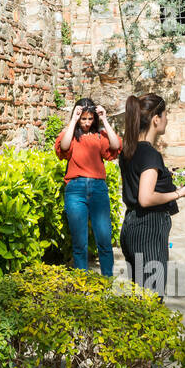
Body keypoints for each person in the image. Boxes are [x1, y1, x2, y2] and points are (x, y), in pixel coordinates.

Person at [119, 93, 185, 368]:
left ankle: (134, 365)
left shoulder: (130, 150)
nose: (167, 120)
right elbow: (146, 197)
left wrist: (170, 183)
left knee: (141, 297)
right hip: (148, 229)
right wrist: (180, 193)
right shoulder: (150, 154)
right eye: (165, 115)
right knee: (151, 301)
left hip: (133, 227)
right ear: (156, 118)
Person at [53, 96, 121, 277]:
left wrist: (105, 119)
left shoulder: (99, 135)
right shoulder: (70, 135)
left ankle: (107, 281)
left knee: (104, 239)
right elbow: (64, 146)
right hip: (75, 189)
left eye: (90, 119)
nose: (87, 122)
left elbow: (115, 145)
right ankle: (82, 285)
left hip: (98, 189)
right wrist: (73, 120)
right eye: (83, 119)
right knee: (79, 242)